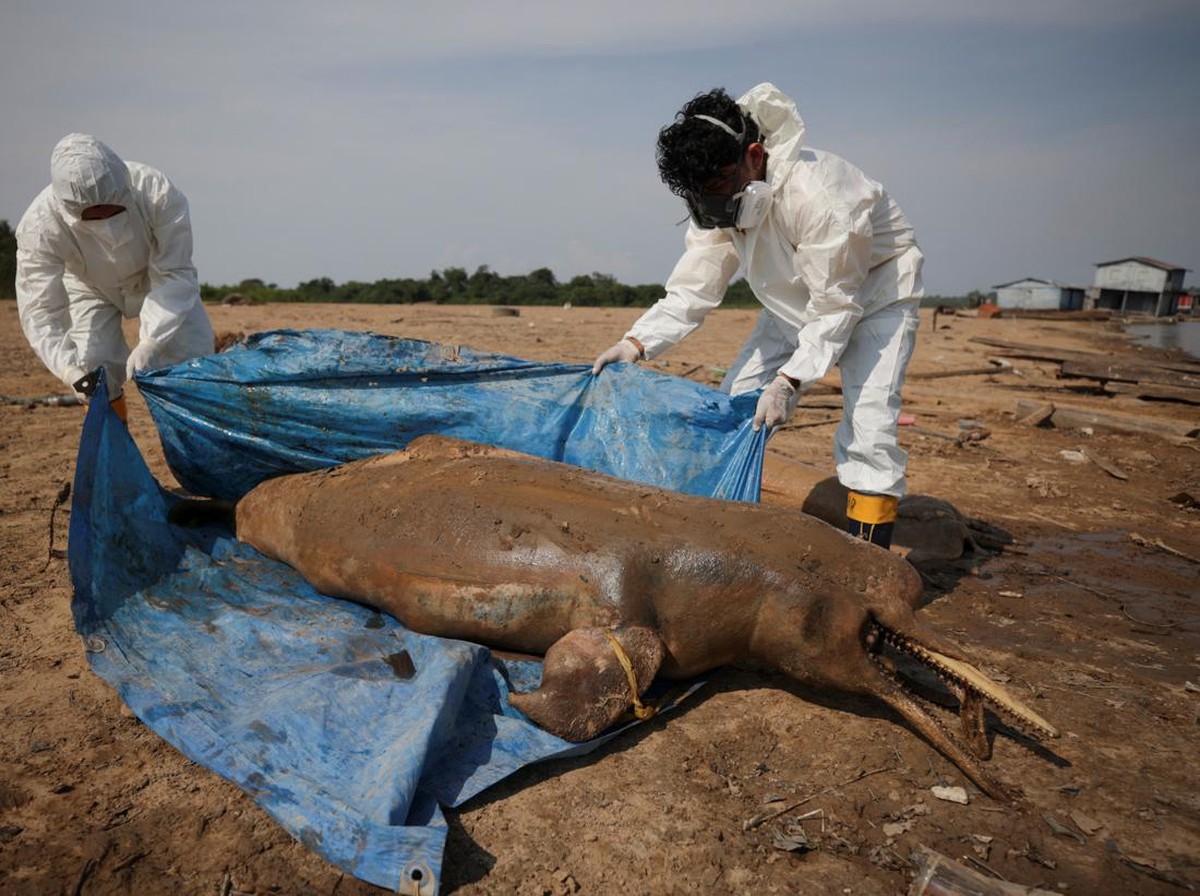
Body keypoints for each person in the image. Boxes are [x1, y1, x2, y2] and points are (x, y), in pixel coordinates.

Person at [592, 83, 923, 549]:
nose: (711, 203)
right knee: (738, 405)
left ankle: (868, 562)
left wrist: (791, 381)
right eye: (699, 194)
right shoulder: (717, 198)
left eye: (719, 187)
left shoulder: (820, 197)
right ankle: (718, 533)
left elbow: (835, 306)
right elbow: (695, 284)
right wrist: (638, 342)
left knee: (869, 430)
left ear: (753, 154)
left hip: (873, 299)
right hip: (791, 307)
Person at [15, 133, 215, 422]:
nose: (106, 225)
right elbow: (39, 309)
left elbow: (174, 271)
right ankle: (118, 451)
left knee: (192, 361)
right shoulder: (40, 226)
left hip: (156, 278)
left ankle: (195, 448)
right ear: (68, 210)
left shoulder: (156, 191)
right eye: (93, 217)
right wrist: (69, 370)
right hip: (89, 286)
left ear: (126, 188)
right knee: (93, 369)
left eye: (114, 210)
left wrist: (152, 342)